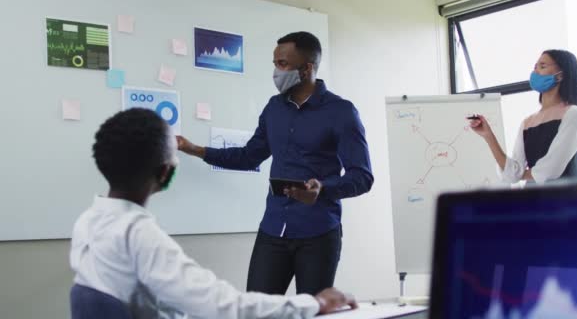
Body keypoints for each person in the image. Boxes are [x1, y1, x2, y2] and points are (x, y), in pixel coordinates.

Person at [69, 108, 357, 318]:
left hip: (318, 230)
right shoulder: (139, 235)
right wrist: (315, 304)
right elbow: (225, 307)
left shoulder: (88, 223)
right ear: (165, 171)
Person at [177, 31, 374, 295]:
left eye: (282, 64)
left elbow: (362, 177)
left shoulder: (341, 112)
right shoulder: (273, 108)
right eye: (275, 63)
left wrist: (322, 189)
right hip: (273, 230)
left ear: (306, 68)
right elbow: (249, 156)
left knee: (312, 313)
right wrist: (195, 149)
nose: (275, 71)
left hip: (318, 232)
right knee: (257, 311)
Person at [469, 49, 577, 185]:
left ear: (560, 76)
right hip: (533, 200)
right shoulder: (528, 122)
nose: (535, 73)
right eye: (535, 67)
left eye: (542, 66)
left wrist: (519, 174)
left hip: (565, 200)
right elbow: (511, 174)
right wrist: (488, 136)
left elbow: (551, 169)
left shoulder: (573, 113)